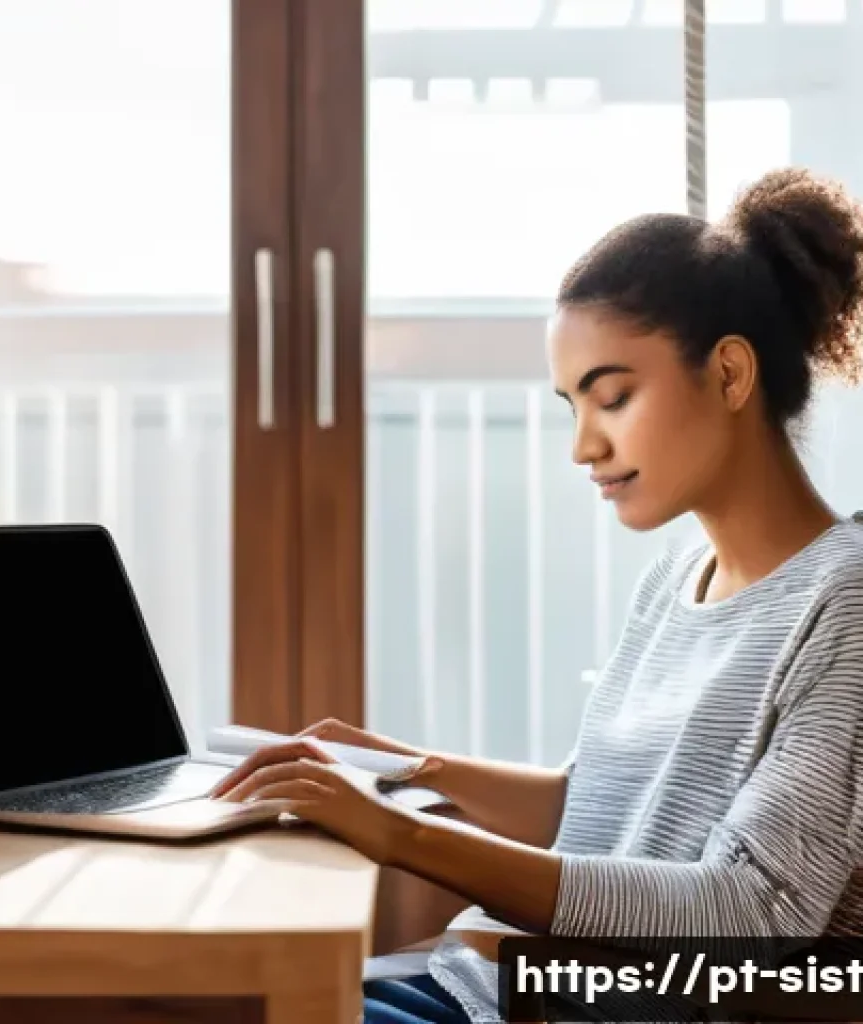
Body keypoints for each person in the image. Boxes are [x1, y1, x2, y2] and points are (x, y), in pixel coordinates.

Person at [210, 166, 863, 1023]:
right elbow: (594, 802)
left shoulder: (844, 599)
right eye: (571, 407)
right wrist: (401, 769)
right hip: (479, 987)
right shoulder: (674, 580)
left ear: (731, 375)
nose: (583, 447)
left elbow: (748, 914)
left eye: (614, 397)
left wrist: (405, 837)